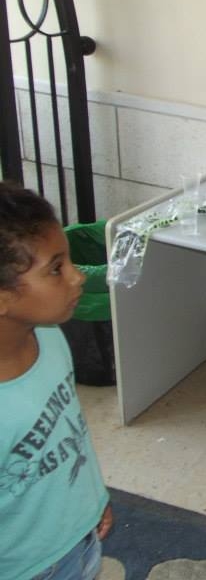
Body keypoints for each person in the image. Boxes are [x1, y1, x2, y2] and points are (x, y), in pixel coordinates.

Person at [0, 181, 113, 580]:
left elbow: (69, 433)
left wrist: (93, 499)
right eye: (56, 268)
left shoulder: (49, 336)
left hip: (80, 537)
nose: (77, 277)